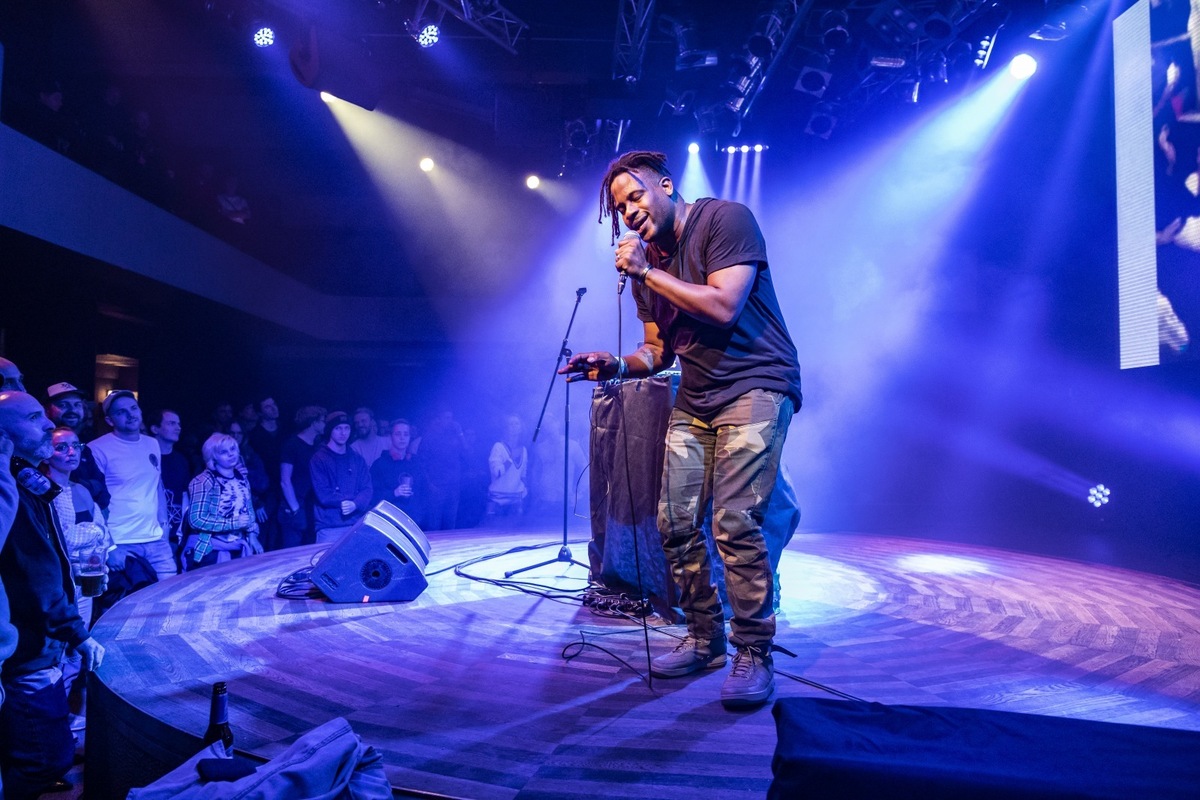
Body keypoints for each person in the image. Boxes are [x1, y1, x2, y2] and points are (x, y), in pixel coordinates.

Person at [561, 150, 802, 709]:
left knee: (734, 521)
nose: (629, 213)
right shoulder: (647, 267)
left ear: (665, 186)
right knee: (673, 523)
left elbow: (723, 306)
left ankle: (753, 650)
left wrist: (647, 272)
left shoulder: (725, 220)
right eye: (620, 209)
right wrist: (616, 365)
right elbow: (658, 351)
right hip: (696, 395)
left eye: (636, 196)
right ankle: (703, 636)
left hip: (757, 383)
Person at [0, 392, 104, 798]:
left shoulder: (24, 478)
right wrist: (77, 633)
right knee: (46, 758)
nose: (48, 424)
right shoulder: (10, 488)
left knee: (35, 749)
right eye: (33, 418)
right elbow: (35, 575)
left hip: (36, 642)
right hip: (27, 651)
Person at [44, 426, 112, 740]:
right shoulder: (41, 491)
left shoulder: (81, 489)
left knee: (76, 650)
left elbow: (102, 535)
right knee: (56, 650)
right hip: (57, 583)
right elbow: (63, 541)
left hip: (84, 580)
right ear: (47, 452)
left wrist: (93, 543)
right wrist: (91, 536)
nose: (71, 452)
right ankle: (50, 723)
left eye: (75, 445)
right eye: (62, 447)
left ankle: (63, 717)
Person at [87, 391, 176, 580]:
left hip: (156, 539)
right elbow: (94, 500)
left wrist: (164, 525)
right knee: (132, 597)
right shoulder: (96, 448)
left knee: (171, 593)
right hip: (121, 541)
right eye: (121, 412)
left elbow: (156, 485)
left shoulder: (152, 444)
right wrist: (110, 546)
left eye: (133, 408)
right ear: (110, 420)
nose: (130, 415)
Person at [183, 434, 264, 569]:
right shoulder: (202, 481)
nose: (230, 454)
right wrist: (233, 523)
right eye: (223, 452)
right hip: (209, 550)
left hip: (237, 546)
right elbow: (196, 519)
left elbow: (248, 511)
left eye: (232, 449)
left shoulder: (241, 479)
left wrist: (252, 534)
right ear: (213, 457)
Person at [309, 412, 372, 544]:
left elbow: (367, 488)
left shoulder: (357, 459)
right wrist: (350, 500)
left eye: (346, 428)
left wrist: (356, 504)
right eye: (338, 428)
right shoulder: (319, 459)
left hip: (355, 524)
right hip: (329, 526)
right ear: (330, 430)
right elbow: (323, 494)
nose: (343, 433)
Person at [278, 405, 325, 548]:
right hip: (294, 507)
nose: (325, 424)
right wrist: (295, 509)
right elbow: (285, 480)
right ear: (314, 422)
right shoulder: (292, 445)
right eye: (323, 421)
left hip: (310, 506)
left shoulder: (317, 445)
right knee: (292, 552)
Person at [370, 419, 425, 525]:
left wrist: (420, 516)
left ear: (410, 437)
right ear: (390, 437)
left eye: (406, 434)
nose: (402, 438)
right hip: (389, 522)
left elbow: (424, 493)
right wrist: (394, 493)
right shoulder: (379, 465)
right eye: (398, 434)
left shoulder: (416, 463)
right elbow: (372, 497)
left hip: (413, 522)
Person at [486, 414, 528, 520]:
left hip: (517, 501)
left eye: (516, 423)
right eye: (511, 424)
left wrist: (525, 490)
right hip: (498, 501)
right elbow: (497, 472)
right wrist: (511, 459)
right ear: (505, 428)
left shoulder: (524, 449)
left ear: (521, 428)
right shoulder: (498, 447)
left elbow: (523, 474)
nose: (514, 426)